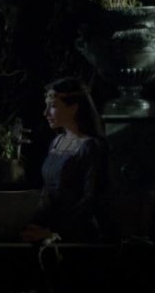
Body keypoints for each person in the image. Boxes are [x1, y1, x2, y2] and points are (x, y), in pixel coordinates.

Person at [20, 77, 111, 243]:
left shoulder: (90, 147)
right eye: (47, 106)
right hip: (50, 224)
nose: (46, 113)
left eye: (53, 106)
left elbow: (90, 199)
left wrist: (55, 232)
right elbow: (47, 192)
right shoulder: (57, 142)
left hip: (78, 232)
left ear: (73, 108)